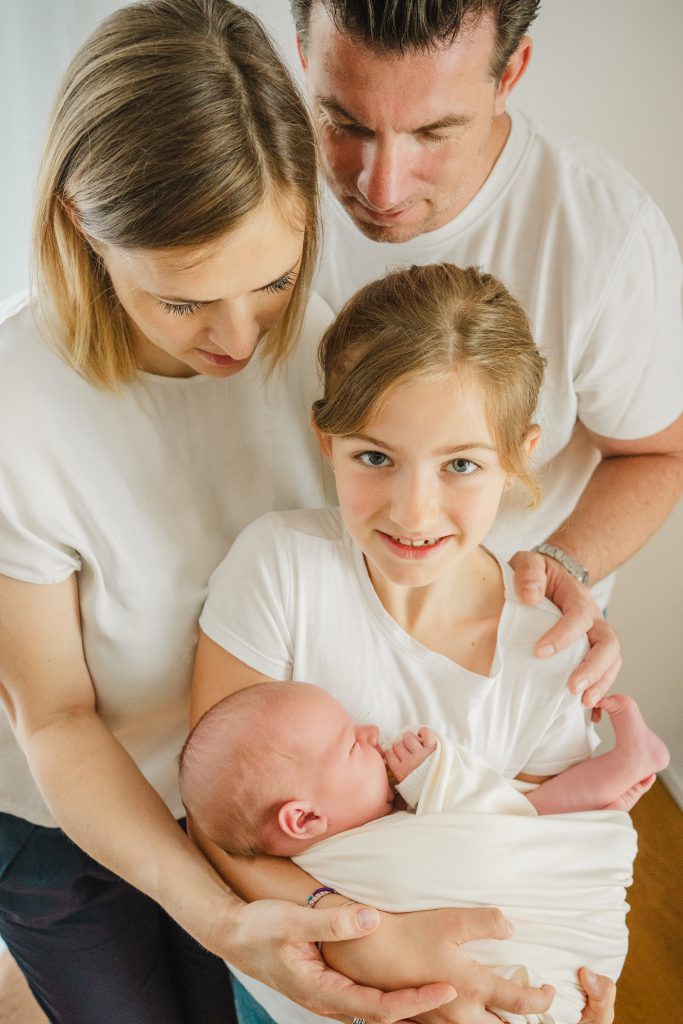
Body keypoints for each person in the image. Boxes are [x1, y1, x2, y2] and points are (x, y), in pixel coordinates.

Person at [0, 3, 491, 1022]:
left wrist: (535, 589)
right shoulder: (20, 413)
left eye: (267, 279)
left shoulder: (311, 343)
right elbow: (56, 715)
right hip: (63, 825)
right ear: (85, 228)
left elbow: (400, 541)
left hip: (258, 803)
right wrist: (214, 914)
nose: (235, 337)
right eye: (182, 301)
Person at [190, 262, 623, 1024]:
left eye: (460, 465)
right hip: (300, 982)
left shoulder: (546, 648)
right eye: (374, 457)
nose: (413, 511)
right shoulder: (283, 568)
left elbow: (557, 863)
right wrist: (371, 942)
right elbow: (223, 828)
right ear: (325, 441)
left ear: (520, 453)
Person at [282, 0, 683, 702]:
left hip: (505, 633)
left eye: (433, 131)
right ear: (305, 57)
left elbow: (657, 452)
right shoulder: (256, 176)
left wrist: (563, 563)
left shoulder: (603, 236)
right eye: (345, 123)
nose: (381, 187)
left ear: (510, 73)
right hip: (297, 621)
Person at [180, 682, 669, 858]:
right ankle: (605, 800)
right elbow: (472, 847)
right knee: (517, 818)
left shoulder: (356, 821)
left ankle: (616, 780)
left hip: (514, 847)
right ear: (305, 820)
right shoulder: (347, 865)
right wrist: (436, 777)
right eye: (352, 743)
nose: (371, 731)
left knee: (525, 811)